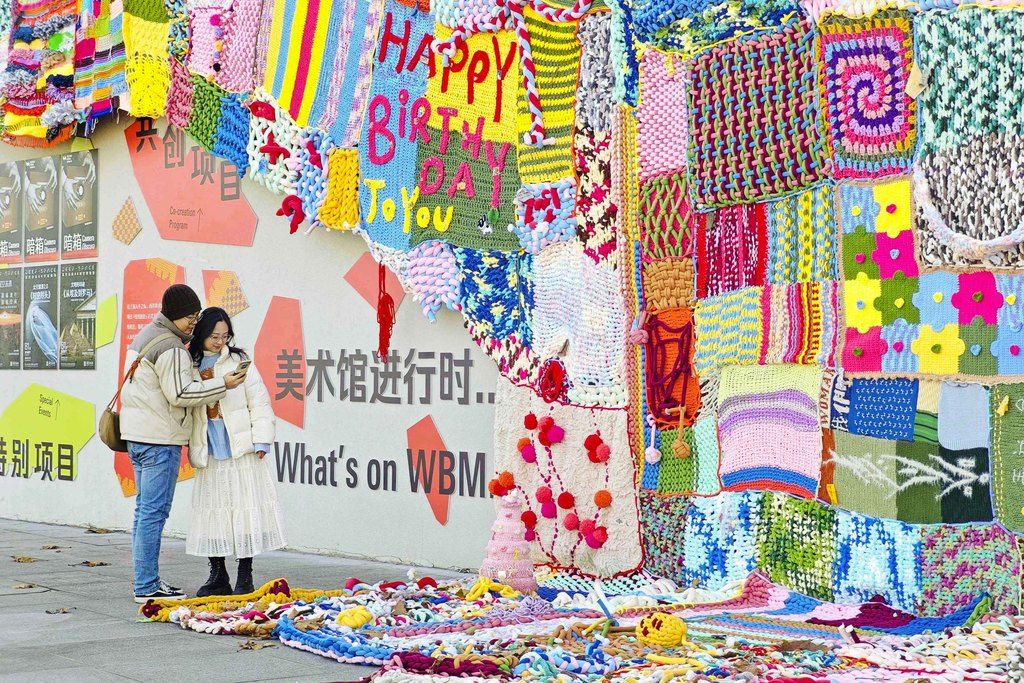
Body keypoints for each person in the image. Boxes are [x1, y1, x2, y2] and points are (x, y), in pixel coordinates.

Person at [120, 285, 245, 603]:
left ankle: (145, 581)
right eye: (191, 316)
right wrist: (222, 384)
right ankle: (147, 586)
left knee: (144, 512)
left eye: (196, 316)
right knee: (153, 514)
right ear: (175, 314)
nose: (194, 322)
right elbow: (180, 393)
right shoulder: (172, 348)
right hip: (159, 440)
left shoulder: (145, 335)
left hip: (136, 437)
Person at [186, 307, 285, 596]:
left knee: (244, 510)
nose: (219, 341)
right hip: (209, 449)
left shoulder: (240, 361)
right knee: (213, 512)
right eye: (214, 336)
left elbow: (260, 402)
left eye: (225, 336)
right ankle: (218, 574)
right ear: (201, 334)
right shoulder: (188, 364)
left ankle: (245, 574)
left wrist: (262, 440)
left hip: (241, 449)